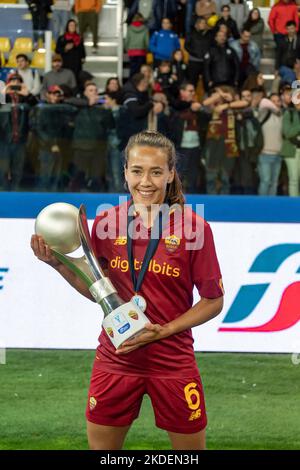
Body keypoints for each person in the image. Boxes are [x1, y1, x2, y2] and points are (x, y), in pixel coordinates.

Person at [30, 129, 224, 450]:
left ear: (171, 174)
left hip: (172, 361)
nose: (145, 181)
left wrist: (164, 331)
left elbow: (213, 301)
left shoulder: (194, 228)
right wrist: (58, 264)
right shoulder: (106, 222)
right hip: (115, 358)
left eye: (156, 171)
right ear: (125, 173)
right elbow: (100, 291)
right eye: (137, 171)